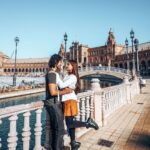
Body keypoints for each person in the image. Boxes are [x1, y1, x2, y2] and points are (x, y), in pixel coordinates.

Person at [57, 60, 99, 150]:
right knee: (71, 125)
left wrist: (55, 75)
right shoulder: (69, 76)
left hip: (69, 101)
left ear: (73, 66)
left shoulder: (73, 77)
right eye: (66, 64)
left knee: (70, 124)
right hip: (68, 100)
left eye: (68, 64)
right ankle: (73, 143)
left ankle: (88, 123)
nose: (66, 66)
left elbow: (61, 85)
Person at [44, 54, 73, 150]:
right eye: (60, 62)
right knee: (59, 129)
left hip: (53, 102)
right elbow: (52, 92)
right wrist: (66, 91)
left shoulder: (53, 73)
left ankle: (57, 147)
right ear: (56, 62)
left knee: (56, 129)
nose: (62, 64)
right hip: (53, 103)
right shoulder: (52, 74)